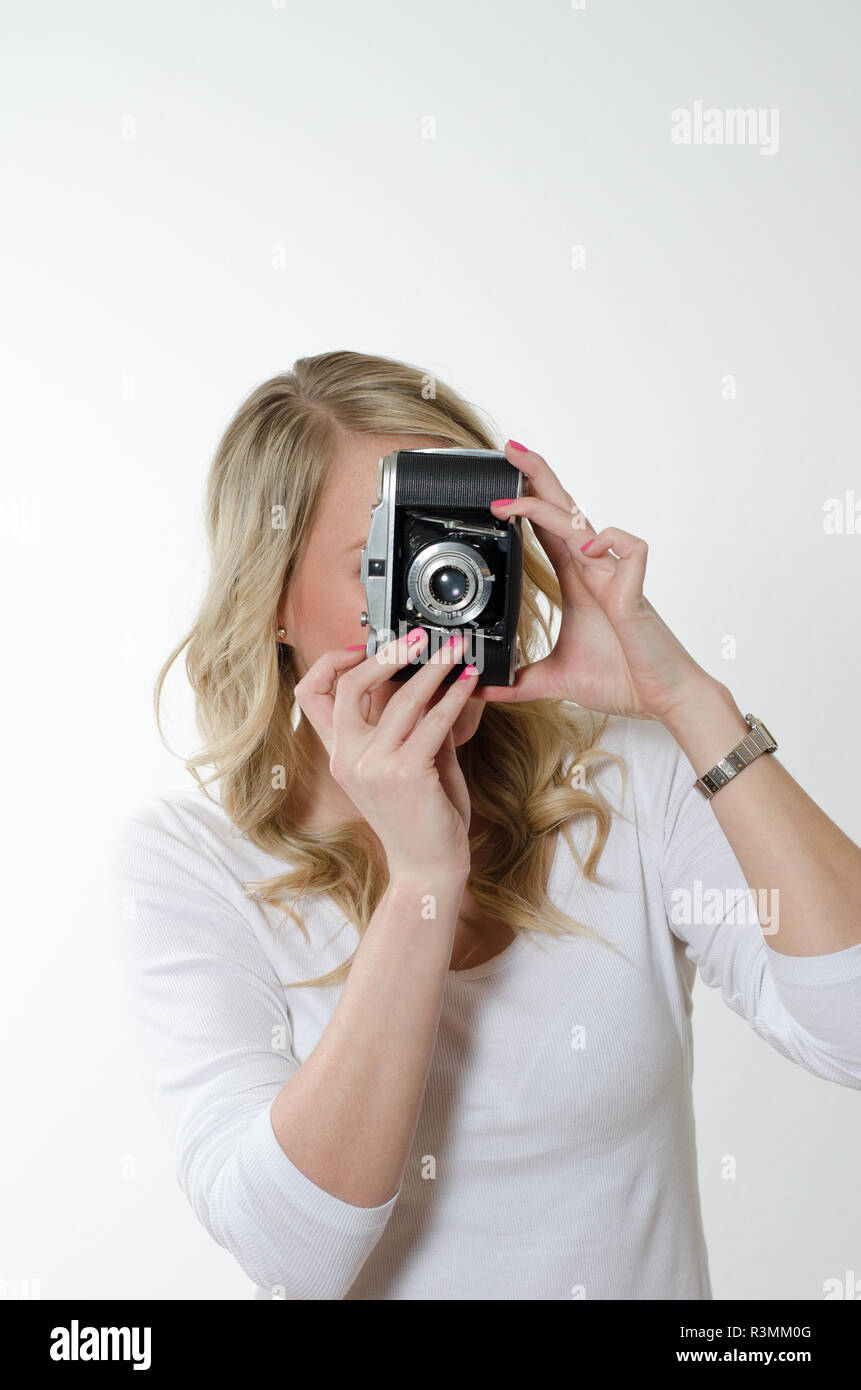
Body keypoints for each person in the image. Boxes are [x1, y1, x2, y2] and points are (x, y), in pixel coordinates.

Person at [112, 349, 861, 1301]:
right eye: (394, 564)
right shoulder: (194, 865)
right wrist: (424, 881)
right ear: (271, 605)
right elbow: (292, 1253)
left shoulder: (618, 774)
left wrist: (686, 700)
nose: (445, 600)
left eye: (468, 554)